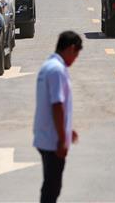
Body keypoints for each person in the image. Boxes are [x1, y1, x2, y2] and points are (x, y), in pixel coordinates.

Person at [34, 31, 82, 203]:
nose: (75, 59)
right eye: (76, 54)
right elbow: (57, 105)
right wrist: (62, 139)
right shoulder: (57, 70)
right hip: (52, 140)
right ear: (71, 48)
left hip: (46, 135)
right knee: (52, 188)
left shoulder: (49, 65)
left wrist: (69, 130)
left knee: (51, 185)